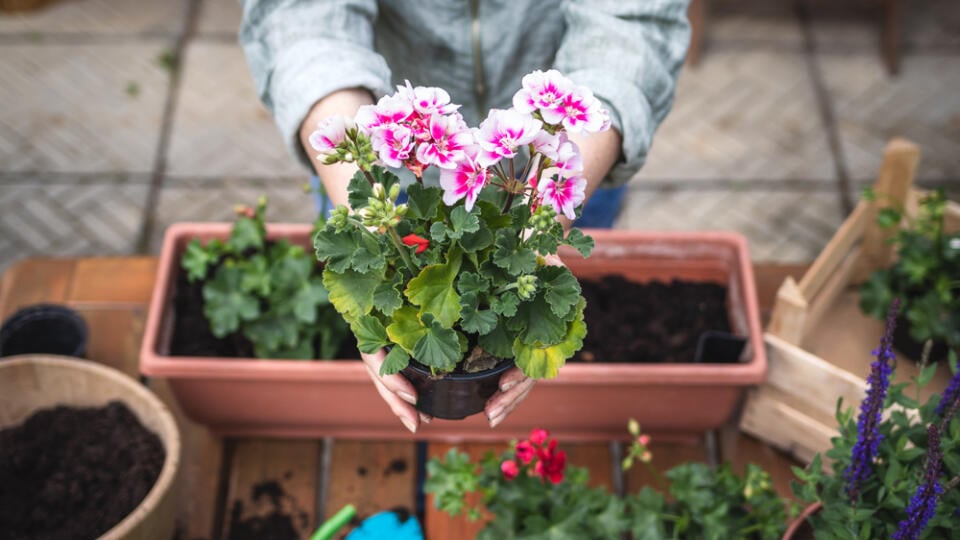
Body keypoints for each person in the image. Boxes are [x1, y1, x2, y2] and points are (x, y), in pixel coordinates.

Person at [239, 0, 690, 433]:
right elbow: (299, 16)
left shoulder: (554, 164)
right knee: (365, 261)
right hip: (386, 167)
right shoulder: (382, 168)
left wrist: (540, 226)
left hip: (572, 161)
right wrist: (363, 205)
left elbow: (634, 19)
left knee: (551, 296)